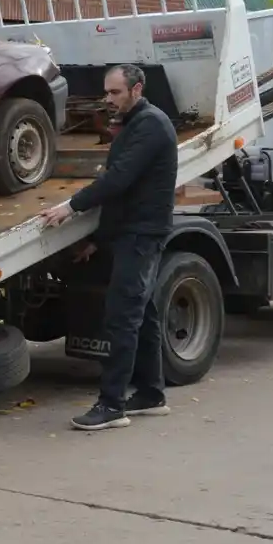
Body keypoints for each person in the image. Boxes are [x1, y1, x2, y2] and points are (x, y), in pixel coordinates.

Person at [38, 62, 179, 431]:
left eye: (116, 92)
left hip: (142, 235)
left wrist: (70, 207)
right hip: (129, 232)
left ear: (137, 89)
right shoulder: (134, 124)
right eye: (107, 92)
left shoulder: (151, 125)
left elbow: (118, 180)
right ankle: (151, 394)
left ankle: (112, 405)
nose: (108, 99)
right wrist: (97, 241)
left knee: (122, 317)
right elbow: (123, 194)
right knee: (143, 314)